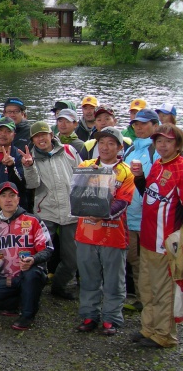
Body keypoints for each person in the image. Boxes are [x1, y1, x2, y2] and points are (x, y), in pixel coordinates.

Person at [73, 126, 135, 335]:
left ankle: (112, 318)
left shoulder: (126, 172)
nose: (105, 147)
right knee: (89, 277)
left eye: (110, 143)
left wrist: (103, 213)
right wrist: (84, 208)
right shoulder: (86, 165)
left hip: (114, 235)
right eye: (101, 143)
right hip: (86, 233)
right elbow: (76, 192)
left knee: (114, 280)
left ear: (119, 147)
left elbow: (124, 202)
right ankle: (89, 315)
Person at [130, 124, 183, 348]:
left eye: (168, 141)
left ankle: (164, 335)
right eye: (159, 141)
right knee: (147, 285)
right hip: (148, 236)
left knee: (164, 289)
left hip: (166, 242)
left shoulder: (180, 168)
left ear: (178, 144)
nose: (162, 145)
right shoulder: (158, 164)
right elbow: (150, 196)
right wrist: (140, 178)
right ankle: (148, 328)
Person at [0, 182, 54, 330]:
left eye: (12, 196)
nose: (8, 200)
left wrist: (34, 259)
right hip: (6, 277)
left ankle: (27, 315)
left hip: (30, 273)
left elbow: (48, 249)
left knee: (31, 275)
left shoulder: (33, 221)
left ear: (18, 199)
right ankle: (20, 301)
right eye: (3, 196)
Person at [20, 121, 81, 301]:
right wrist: (29, 166)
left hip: (71, 211)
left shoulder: (68, 151)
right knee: (40, 253)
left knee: (72, 258)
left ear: (51, 135)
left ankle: (59, 286)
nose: (41, 139)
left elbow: (81, 174)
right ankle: (34, 285)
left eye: (43, 135)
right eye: (36, 136)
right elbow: (32, 185)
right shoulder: (30, 157)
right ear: (33, 140)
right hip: (45, 212)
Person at [123, 109, 160, 311]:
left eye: (144, 124)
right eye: (136, 124)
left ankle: (153, 300)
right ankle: (141, 298)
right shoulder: (130, 150)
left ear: (155, 126)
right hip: (129, 214)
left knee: (149, 261)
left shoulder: (156, 150)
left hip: (149, 216)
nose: (138, 127)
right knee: (134, 259)